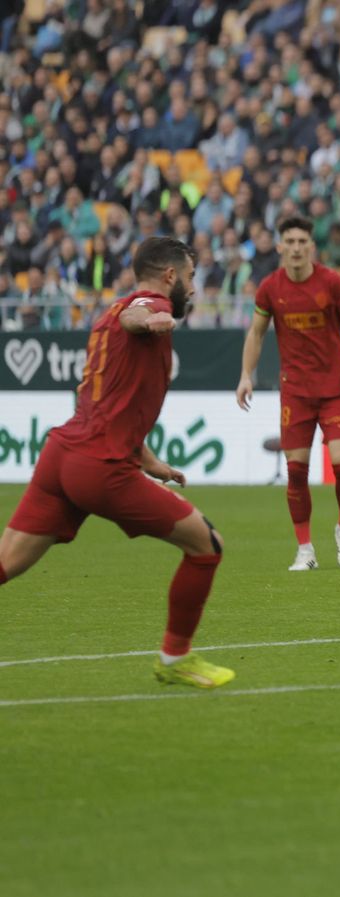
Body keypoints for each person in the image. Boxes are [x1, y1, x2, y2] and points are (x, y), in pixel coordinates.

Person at [0, 237, 234, 688]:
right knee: (208, 545)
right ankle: (174, 659)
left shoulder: (106, 314)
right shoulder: (142, 307)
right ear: (170, 277)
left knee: (6, 561)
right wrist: (153, 318)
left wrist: (151, 461)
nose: (193, 288)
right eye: (190, 278)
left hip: (62, 456)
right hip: (99, 467)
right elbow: (138, 317)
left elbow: (109, 400)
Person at [237, 216, 340, 571]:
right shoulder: (270, 288)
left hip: (333, 389)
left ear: (311, 246)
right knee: (296, 471)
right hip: (295, 393)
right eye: (290, 241)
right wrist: (245, 376)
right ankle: (305, 549)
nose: (296, 248)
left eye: (302, 242)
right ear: (280, 246)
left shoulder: (332, 283)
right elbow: (256, 333)